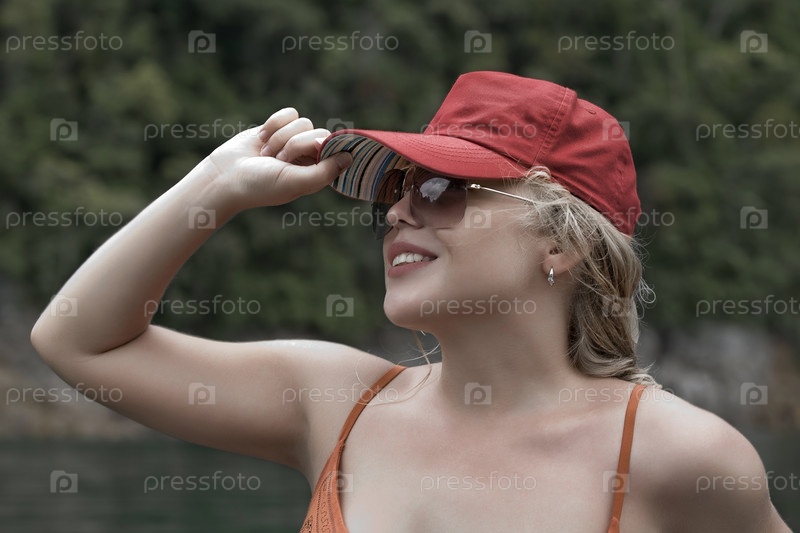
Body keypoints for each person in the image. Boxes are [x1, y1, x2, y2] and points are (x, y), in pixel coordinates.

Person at [31, 71, 790, 532]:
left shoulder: (678, 457)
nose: (397, 209)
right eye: (397, 186)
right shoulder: (336, 404)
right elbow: (79, 342)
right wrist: (216, 186)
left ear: (560, 242)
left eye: (440, 186)